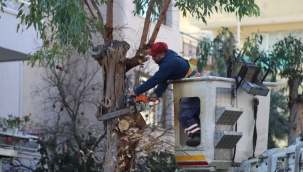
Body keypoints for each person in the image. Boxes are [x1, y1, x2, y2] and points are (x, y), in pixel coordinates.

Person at [129, 42, 201, 147]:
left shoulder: (169, 63)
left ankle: (197, 136)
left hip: (193, 88)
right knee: (192, 116)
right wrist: (157, 93)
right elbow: (164, 80)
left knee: (184, 116)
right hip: (192, 88)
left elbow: (155, 80)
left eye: (154, 55)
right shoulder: (170, 59)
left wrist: (136, 92)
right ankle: (197, 135)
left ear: (162, 54)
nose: (153, 58)